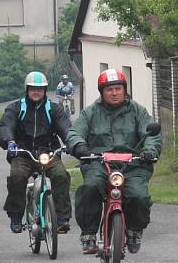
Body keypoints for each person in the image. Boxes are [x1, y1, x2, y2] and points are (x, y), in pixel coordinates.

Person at [66, 69, 162, 255]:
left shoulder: (138, 111)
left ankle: (134, 231)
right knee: (90, 187)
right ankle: (88, 235)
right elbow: (74, 132)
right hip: (98, 163)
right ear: (102, 92)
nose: (114, 93)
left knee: (138, 196)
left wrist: (149, 151)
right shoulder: (90, 112)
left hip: (134, 165)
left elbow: (152, 135)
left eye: (118, 88)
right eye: (109, 89)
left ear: (124, 90)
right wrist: (80, 147)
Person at [0, 71, 72, 234]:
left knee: (61, 175)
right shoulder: (16, 108)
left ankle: (62, 218)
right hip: (23, 153)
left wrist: (72, 143)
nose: (36, 92)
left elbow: (66, 128)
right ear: (27, 89)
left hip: (49, 153)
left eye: (40, 89)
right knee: (17, 176)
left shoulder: (54, 109)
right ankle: (16, 216)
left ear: (45, 90)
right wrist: (9, 142)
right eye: (32, 88)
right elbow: (5, 126)